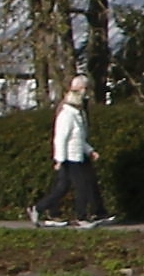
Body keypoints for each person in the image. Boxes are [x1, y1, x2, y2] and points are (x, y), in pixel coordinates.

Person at [30, 74, 100, 225]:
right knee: (81, 186)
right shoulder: (67, 115)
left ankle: (38, 208)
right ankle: (81, 218)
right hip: (70, 158)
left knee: (62, 188)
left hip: (76, 156)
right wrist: (59, 160)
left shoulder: (77, 115)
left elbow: (79, 138)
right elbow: (60, 138)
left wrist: (90, 151)